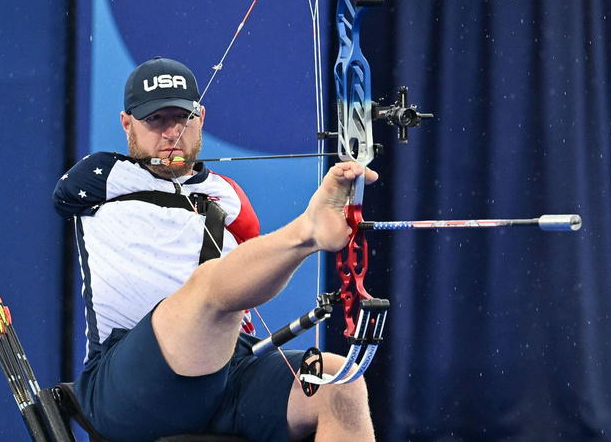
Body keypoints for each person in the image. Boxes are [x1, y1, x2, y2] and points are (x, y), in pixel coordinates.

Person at [53, 56, 378, 441]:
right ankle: (308, 232)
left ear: (201, 116)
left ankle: (309, 237)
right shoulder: (103, 178)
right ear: (127, 124)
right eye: (154, 120)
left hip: (229, 369)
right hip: (127, 382)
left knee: (340, 384)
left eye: (182, 118)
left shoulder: (230, 197)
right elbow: (63, 196)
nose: (171, 132)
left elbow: (249, 267)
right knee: (206, 286)